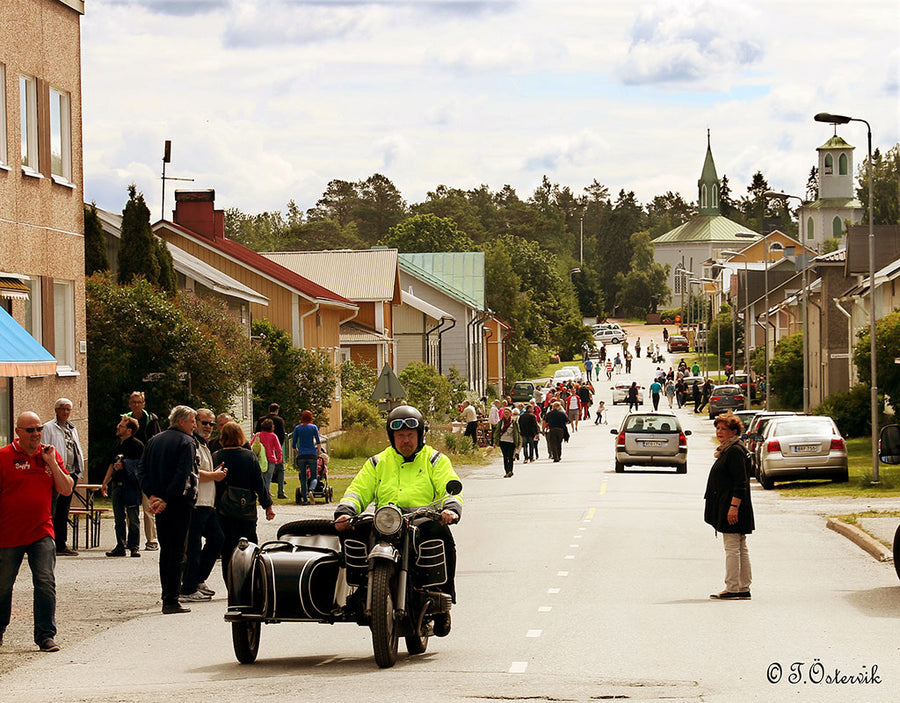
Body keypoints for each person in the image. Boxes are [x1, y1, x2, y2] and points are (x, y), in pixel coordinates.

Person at [334, 405, 462, 636]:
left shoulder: (434, 460)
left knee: (442, 537)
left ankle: (444, 603)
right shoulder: (377, 462)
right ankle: (358, 591)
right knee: (352, 533)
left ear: (420, 435)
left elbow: (449, 485)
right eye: (400, 436)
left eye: (410, 435)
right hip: (385, 520)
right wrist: (346, 510)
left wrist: (450, 509)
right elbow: (359, 489)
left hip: (422, 521)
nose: (405, 440)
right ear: (392, 437)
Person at [0, 412, 73, 652]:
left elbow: (65, 489)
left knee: (45, 582)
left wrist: (51, 462)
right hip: (8, 533)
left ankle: (45, 635)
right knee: (3, 585)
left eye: (39, 429)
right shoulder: (4, 457)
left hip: (41, 531)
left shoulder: (49, 455)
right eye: (30, 430)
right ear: (18, 432)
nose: (36, 434)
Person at [138, 406, 199, 615]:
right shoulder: (187, 442)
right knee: (178, 551)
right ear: (181, 421)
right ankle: (172, 598)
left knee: (166, 551)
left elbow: (142, 470)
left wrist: (152, 495)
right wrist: (165, 499)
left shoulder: (154, 440)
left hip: (158, 502)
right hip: (178, 504)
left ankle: (168, 595)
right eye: (192, 421)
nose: (195, 425)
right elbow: (184, 475)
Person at [214, 422, 275, 584]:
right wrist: (267, 506)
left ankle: (231, 586)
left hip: (224, 510)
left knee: (227, 549)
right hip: (246, 509)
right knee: (251, 546)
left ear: (223, 437)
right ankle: (252, 581)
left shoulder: (217, 457)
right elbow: (259, 484)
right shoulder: (249, 456)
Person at [704, 412, 754, 599]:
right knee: (740, 546)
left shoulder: (734, 451)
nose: (719, 432)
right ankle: (742, 587)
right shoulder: (731, 449)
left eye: (723, 429)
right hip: (732, 504)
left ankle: (733, 587)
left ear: (733, 431)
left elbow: (740, 482)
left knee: (733, 547)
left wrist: (733, 507)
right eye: (717, 428)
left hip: (733, 505)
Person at [180, 409, 226, 603]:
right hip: (196, 503)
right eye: (204, 423)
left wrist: (214, 474)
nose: (208, 427)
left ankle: (198, 579)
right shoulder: (191, 444)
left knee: (218, 539)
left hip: (208, 503)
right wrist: (214, 476)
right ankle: (188, 587)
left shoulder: (204, 445)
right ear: (195, 422)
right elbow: (193, 471)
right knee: (193, 546)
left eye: (211, 424)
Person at [42, 398, 85, 557]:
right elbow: (45, 449)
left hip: (70, 474)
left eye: (68, 409)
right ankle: (50, 543)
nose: (65, 412)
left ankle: (61, 543)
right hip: (56, 474)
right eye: (62, 409)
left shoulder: (72, 428)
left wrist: (78, 470)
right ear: (56, 410)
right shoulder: (48, 428)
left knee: (64, 510)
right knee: (53, 509)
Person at [100, 416, 144, 557]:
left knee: (133, 517)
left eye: (121, 426)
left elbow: (143, 466)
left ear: (129, 430)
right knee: (119, 518)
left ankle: (134, 546)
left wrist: (126, 464)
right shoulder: (117, 445)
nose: (118, 428)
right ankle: (120, 546)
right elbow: (112, 465)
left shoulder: (137, 445)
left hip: (131, 486)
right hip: (117, 486)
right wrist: (105, 482)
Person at [125, 391, 161, 551]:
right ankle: (132, 540)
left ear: (144, 404)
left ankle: (152, 540)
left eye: (139, 402)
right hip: (129, 466)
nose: (136, 405)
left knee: (148, 505)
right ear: (129, 404)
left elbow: (157, 440)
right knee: (131, 506)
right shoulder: (126, 419)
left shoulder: (151, 419)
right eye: (133, 402)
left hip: (147, 466)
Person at [255, 403, 286, 498]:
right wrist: (278, 449)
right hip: (274, 449)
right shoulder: (279, 420)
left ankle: (264, 491)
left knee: (262, 472)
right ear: (277, 410)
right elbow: (282, 435)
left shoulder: (261, 420)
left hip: (261, 451)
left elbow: (256, 434)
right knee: (280, 469)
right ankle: (280, 491)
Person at [291, 410, 321, 505]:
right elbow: (318, 441)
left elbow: (293, 445)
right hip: (312, 453)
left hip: (302, 455)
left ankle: (305, 499)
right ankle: (311, 490)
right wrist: (318, 452)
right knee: (314, 476)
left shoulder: (297, 428)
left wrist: (298, 452)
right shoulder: (313, 427)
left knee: (303, 477)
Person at [252, 418, 282, 498]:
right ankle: (266, 492)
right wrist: (279, 458)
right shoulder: (273, 436)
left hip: (260, 459)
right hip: (271, 459)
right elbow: (278, 448)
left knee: (260, 477)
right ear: (271, 427)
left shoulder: (258, 435)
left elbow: (251, 444)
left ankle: (260, 492)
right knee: (268, 477)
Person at [493, 407, 521, 478]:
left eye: (507, 413)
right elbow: (497, 432)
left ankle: (510, 470)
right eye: (505, 413)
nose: (506, 414)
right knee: (505, 456)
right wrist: (495, 442)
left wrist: (518, 443)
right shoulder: (501, 422)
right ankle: (507, 471)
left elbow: (517, 433)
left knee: (511, 456)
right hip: (503, 441)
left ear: (510, 414)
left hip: (511, 442)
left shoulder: (514, 422)